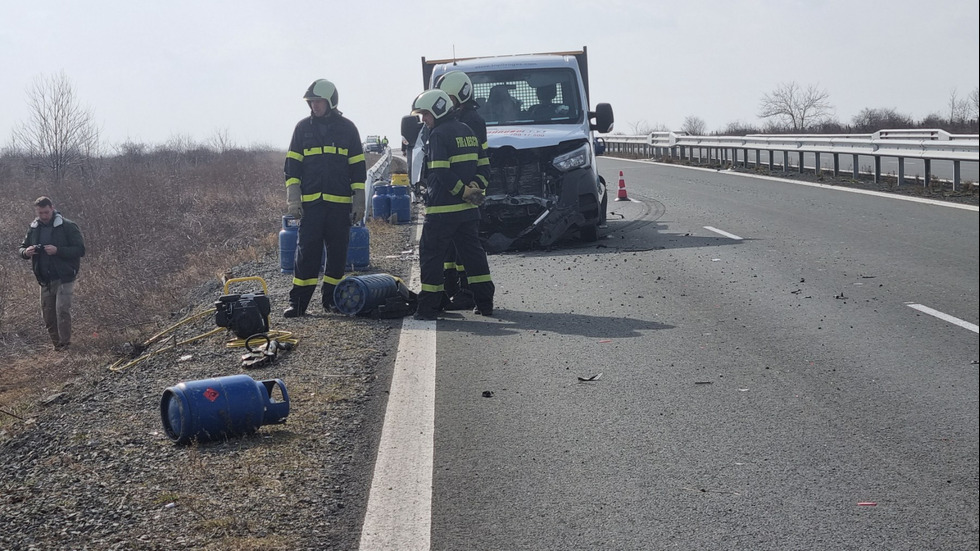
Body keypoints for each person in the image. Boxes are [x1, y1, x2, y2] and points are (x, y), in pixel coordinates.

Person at [283, 78, 367, 318]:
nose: (314, 106)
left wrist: (359, 201)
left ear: (331, 101)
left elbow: (357, 169)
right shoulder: (302, 129)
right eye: (311, 102)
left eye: (318, 101)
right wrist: (294, 199)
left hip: (340, 206)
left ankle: (331, 300)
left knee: (338, 254)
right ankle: (298, 304)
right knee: (306, 253)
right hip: (311, 206)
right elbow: (292, 167)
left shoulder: (348, 129)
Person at [410, 89, 494, 320]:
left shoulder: (438, 134)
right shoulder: (467, 130)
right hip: (468, 212)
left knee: (431, 257)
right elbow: (485, 165)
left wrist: (462, 191)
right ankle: (485, 303)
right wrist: (474, 188)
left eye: (425, 115)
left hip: (442, 212)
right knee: (474, 257)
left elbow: (440, 171)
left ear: (437, 110)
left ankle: (428, 308)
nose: (424, 120)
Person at [435, 70, 489, 310]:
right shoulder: (445, 121)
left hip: (463, 195)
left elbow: (480, 159)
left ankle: (468, 292)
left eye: (448, 99)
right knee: (450, 251)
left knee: (465, 251)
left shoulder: (472, 121)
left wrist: (474, 186)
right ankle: (453, 290)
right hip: (449, 194)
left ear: (460, 97)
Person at [18, 196, 86, 350]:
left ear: (52, 208)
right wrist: (25, 252)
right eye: (40, 213)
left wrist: (58, 251)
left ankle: (65, 344)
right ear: (37, 212)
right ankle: (58, 346)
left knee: (62, 310)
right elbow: (21, 247)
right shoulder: (34, 228)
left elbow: (80, 250)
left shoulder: (68, 226)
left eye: (46, 212)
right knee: (48, 315)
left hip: (65, 276)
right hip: (44, 279)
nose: (44, 216)